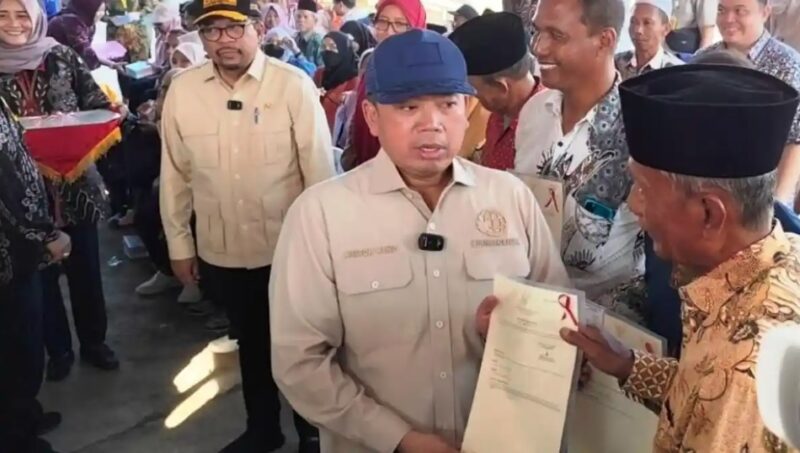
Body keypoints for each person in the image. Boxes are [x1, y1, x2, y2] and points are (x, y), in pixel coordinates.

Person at [270, 28, 570, 453]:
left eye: (447, 104)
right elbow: (299, 363)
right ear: (372, 116)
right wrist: (399, 439)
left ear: (466, 109)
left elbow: (557, 317)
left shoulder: (510, 198)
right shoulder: (320, 214)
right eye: (408, 107)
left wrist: (519, 332)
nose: (432, 123)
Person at [560, 64, 800, 453]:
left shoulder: (749, 375)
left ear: (709, 214)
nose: (633, 204)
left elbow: (729, 395)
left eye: (643, 188)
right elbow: (706, 400)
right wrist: (629, 366)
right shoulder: (781, 253)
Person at [159, 0, 336, 449]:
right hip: (222, 250)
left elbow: (319, 176)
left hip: (289, 253)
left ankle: (312, 434)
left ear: (257, 29)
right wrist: (180, 245)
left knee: (303, 348)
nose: (224, 40)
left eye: (234, 28)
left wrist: (325, 252)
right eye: (212, 31)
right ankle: (263, 430)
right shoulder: (184, 91)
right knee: (251, 346)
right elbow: (175, 175)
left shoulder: (291, 85)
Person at [0, 0, 120, 381]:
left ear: (37, 18)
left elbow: (97, 102)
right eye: (2, 15)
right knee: (40, 280)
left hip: (76, 188)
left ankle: (95, 342)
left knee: (86, 272)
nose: (13, 23)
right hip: (20, 202)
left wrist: (99, 115)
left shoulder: (62, 56)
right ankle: (59, 350)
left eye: (22, 14)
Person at [517, 0, 646, 319]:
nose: (538, 48)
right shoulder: (534, 112)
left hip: (602, 328)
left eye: (557, 36)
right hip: (524, 308)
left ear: (605, 40)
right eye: (537, 32)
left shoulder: (640, 129)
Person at [0, 94, 70, 453]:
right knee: (16, 350)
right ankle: (16, 439)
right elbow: (6, 194)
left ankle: (24, 416)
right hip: (9, 256)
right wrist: (44, 236)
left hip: (18, 252)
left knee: (23, 344)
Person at [696, 0, 800, 205]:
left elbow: (795, 142)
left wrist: (777, 206)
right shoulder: (702, 60)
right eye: (721, 10)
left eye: (740, 11)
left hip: (758, 198)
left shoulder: (788, 67)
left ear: (765, 13)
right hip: (703, 189)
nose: (728, 19)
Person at [451, 12, 542, 170]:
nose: (472, 96)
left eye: (474, 89)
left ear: (501, 87)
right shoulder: (498, 114)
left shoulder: (548, 126)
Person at [343, 0, 426, 170]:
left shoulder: (425, 74)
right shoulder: (372, 62)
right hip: (363, 169)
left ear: (416, 28)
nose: (389, 31)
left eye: (400, 24)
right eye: (383, 22)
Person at [615, 0, 684, 80]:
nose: (638, 30)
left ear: (666, 29)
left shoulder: (677, 72)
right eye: (633, 21)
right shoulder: (616, 64)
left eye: (647, 23)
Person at [47, 0, 116, 70]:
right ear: (89, 9)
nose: (101, 14)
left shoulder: (86, 22)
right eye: (98, 11)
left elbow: (86, 53)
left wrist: (110, 64)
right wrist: (109, 63)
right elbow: (87, 58)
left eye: (103, 11)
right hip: (50, 64)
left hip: (62, 60)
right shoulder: (72, 23)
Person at [315, 31, 358, 132]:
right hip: (317, 129)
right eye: (324, 47)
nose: (327, 50)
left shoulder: (354, 81)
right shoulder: (320, 74)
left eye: (332, 46)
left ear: (343, 50)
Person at [295, 0, 323, 66]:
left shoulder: (318, 42)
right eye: (298, 16)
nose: (301, 20)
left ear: (315, 20)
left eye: (305, 17)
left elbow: (321, 69)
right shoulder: (295, 38)